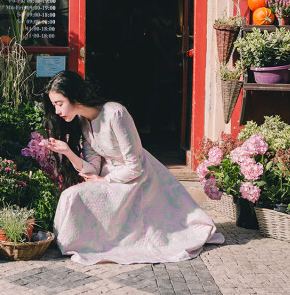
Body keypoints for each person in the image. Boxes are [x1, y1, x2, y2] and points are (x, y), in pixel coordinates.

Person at [40, 70, 224, 265]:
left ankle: (81, 243)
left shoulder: (114, 113)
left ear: (74, 96)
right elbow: (92, 169)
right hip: (111, 176)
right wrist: (67, 152)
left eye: (59, 104)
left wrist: (105, 180)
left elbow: (134, 167)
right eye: (54, 106)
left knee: (73, 195)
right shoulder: (84, 122)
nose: (58, 111)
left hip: (139, 180)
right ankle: (72, 243)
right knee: (71, 194)